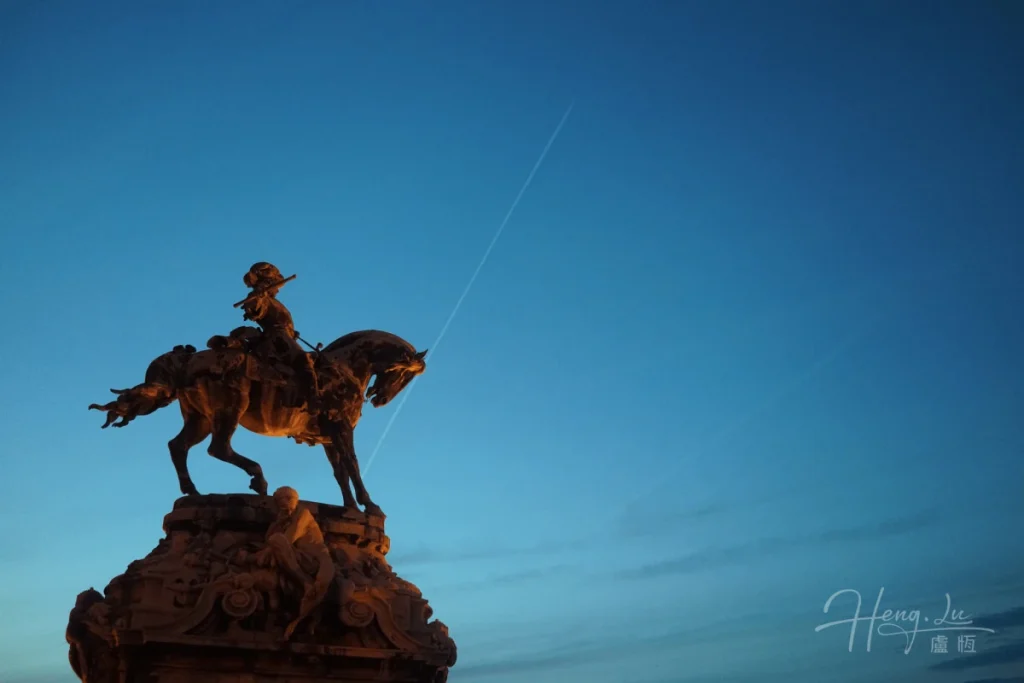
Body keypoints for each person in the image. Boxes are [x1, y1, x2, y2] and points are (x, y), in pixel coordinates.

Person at [237, 262, 321, 411]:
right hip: (275, 338)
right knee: (304, 359)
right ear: (268, 283)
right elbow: (254, 311)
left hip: (284, 336)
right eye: (276, 284)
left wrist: (291, 332)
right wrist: (258, 297)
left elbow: (281, 320)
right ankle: (313, 399)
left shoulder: (275, 302)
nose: (278, 289)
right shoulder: (259, 296)